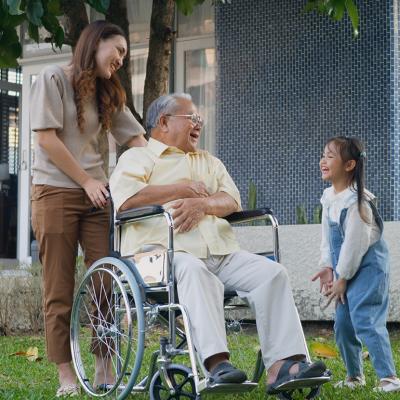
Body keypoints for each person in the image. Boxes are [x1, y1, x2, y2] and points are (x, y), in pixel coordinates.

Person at [109, 93, 328, 394]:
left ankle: (284, 366)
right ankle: (217, 365)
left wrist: (203, 205)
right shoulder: (138, 157)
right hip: (160, 257)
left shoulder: (209, 162)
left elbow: (231, 199)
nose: (199, 123)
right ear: (163, 122)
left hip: (220, 252)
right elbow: (126, 201)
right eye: (192, 118)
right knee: (196, 273)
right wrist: (179, 189)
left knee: (272, 273)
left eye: (200, 118)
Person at [30, 20, 147, 397]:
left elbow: (137, 139)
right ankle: (66, 375)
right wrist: (86, 180)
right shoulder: (52, 79)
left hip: (98, 198)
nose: (121, 60)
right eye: (119, 51)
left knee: (105, 283)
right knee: (59, 288)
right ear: (96, 44)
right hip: (55, 193)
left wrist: (174, 164)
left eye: (126, 55)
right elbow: (46, 139)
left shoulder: (108, 92)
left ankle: (103, 365)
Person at [312, 136, 400, 392]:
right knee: (343, 323)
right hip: (346, 272)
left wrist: (342, 278)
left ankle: (389, 378)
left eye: (330, 156)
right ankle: (354, 376)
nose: (323, 160)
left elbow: (354, 246)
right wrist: (327, 266)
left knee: (365, 319)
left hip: (368, 269)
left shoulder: (356, 204)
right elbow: (328, 237)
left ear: (349, 165)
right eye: (323, 155)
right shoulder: (330, 197)